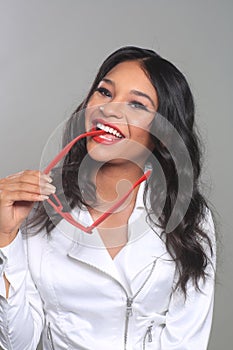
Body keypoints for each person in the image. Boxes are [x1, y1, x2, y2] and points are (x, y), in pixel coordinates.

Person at [0, 46, 215, 350]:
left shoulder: (188, 215)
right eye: (104, 92)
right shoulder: (38, 208)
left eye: (137, 104)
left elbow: (187, 339)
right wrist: (5, 236)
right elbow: (17, 343)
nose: (110, 109)